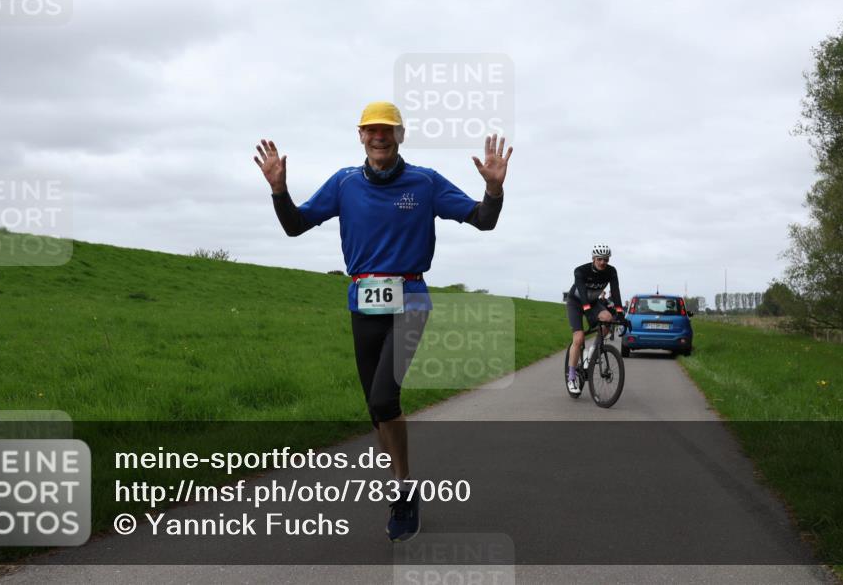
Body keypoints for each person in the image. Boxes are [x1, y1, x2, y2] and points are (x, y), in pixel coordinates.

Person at [254, 101, 512, 542]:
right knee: (376, 409)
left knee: (385, 395)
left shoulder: (425, 182)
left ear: (400, 135)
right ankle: (400, 482)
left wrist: (494, 191)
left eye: (387, 130)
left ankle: (403, 490)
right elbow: (295, 226)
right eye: (371, 130)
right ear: (360, 136)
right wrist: (279, 190)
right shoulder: (344, 183)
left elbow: (483, 221)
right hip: (362, 301)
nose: (379, 137)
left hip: (410, 297)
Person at [565, 244, 623, 393]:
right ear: (593, 259)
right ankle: (571, 377)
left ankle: (592, 352)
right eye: (599, 259)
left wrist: (620, 314)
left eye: (606, 259)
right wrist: (588, 312)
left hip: (593, 302)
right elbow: (582, 293)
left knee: (608, 319)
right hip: (577, 302)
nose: (603, 262)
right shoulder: (581, 270)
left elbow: (615, 292)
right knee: (578, 339)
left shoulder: (611, 271)